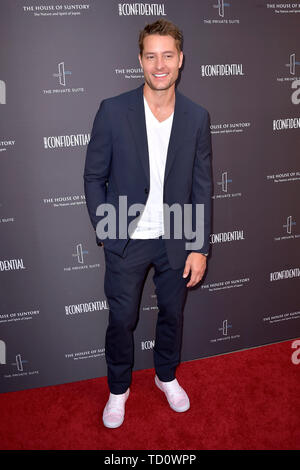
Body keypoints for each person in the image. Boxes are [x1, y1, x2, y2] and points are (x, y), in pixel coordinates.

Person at [83, 19, 212, 428]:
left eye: (168, 56)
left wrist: (199, 245)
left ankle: (166, 376)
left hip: (176, 234)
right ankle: (118, 390)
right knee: (122, 320)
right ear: (140, 60)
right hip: (126, 235)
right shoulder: (113, 110)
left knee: (172, 315)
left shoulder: (197, 116)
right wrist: (107, 229)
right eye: (151, 56)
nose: (160, 64)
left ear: (181, 60)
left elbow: (202, 186)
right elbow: (93, 177)